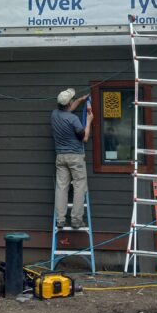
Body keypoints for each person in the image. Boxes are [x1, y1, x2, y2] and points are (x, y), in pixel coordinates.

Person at [51, 88, 93, 229]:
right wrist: (89, 121)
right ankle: (76, 220)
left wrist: (80, 100)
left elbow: (68, 110)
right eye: (72, 100)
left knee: (62, 188)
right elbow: (85, 138)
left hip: (60, 157)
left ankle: (60, 220)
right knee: (79, 186)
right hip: (75, 157)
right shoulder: (73, 119)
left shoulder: (55, 115)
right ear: (69, 103)